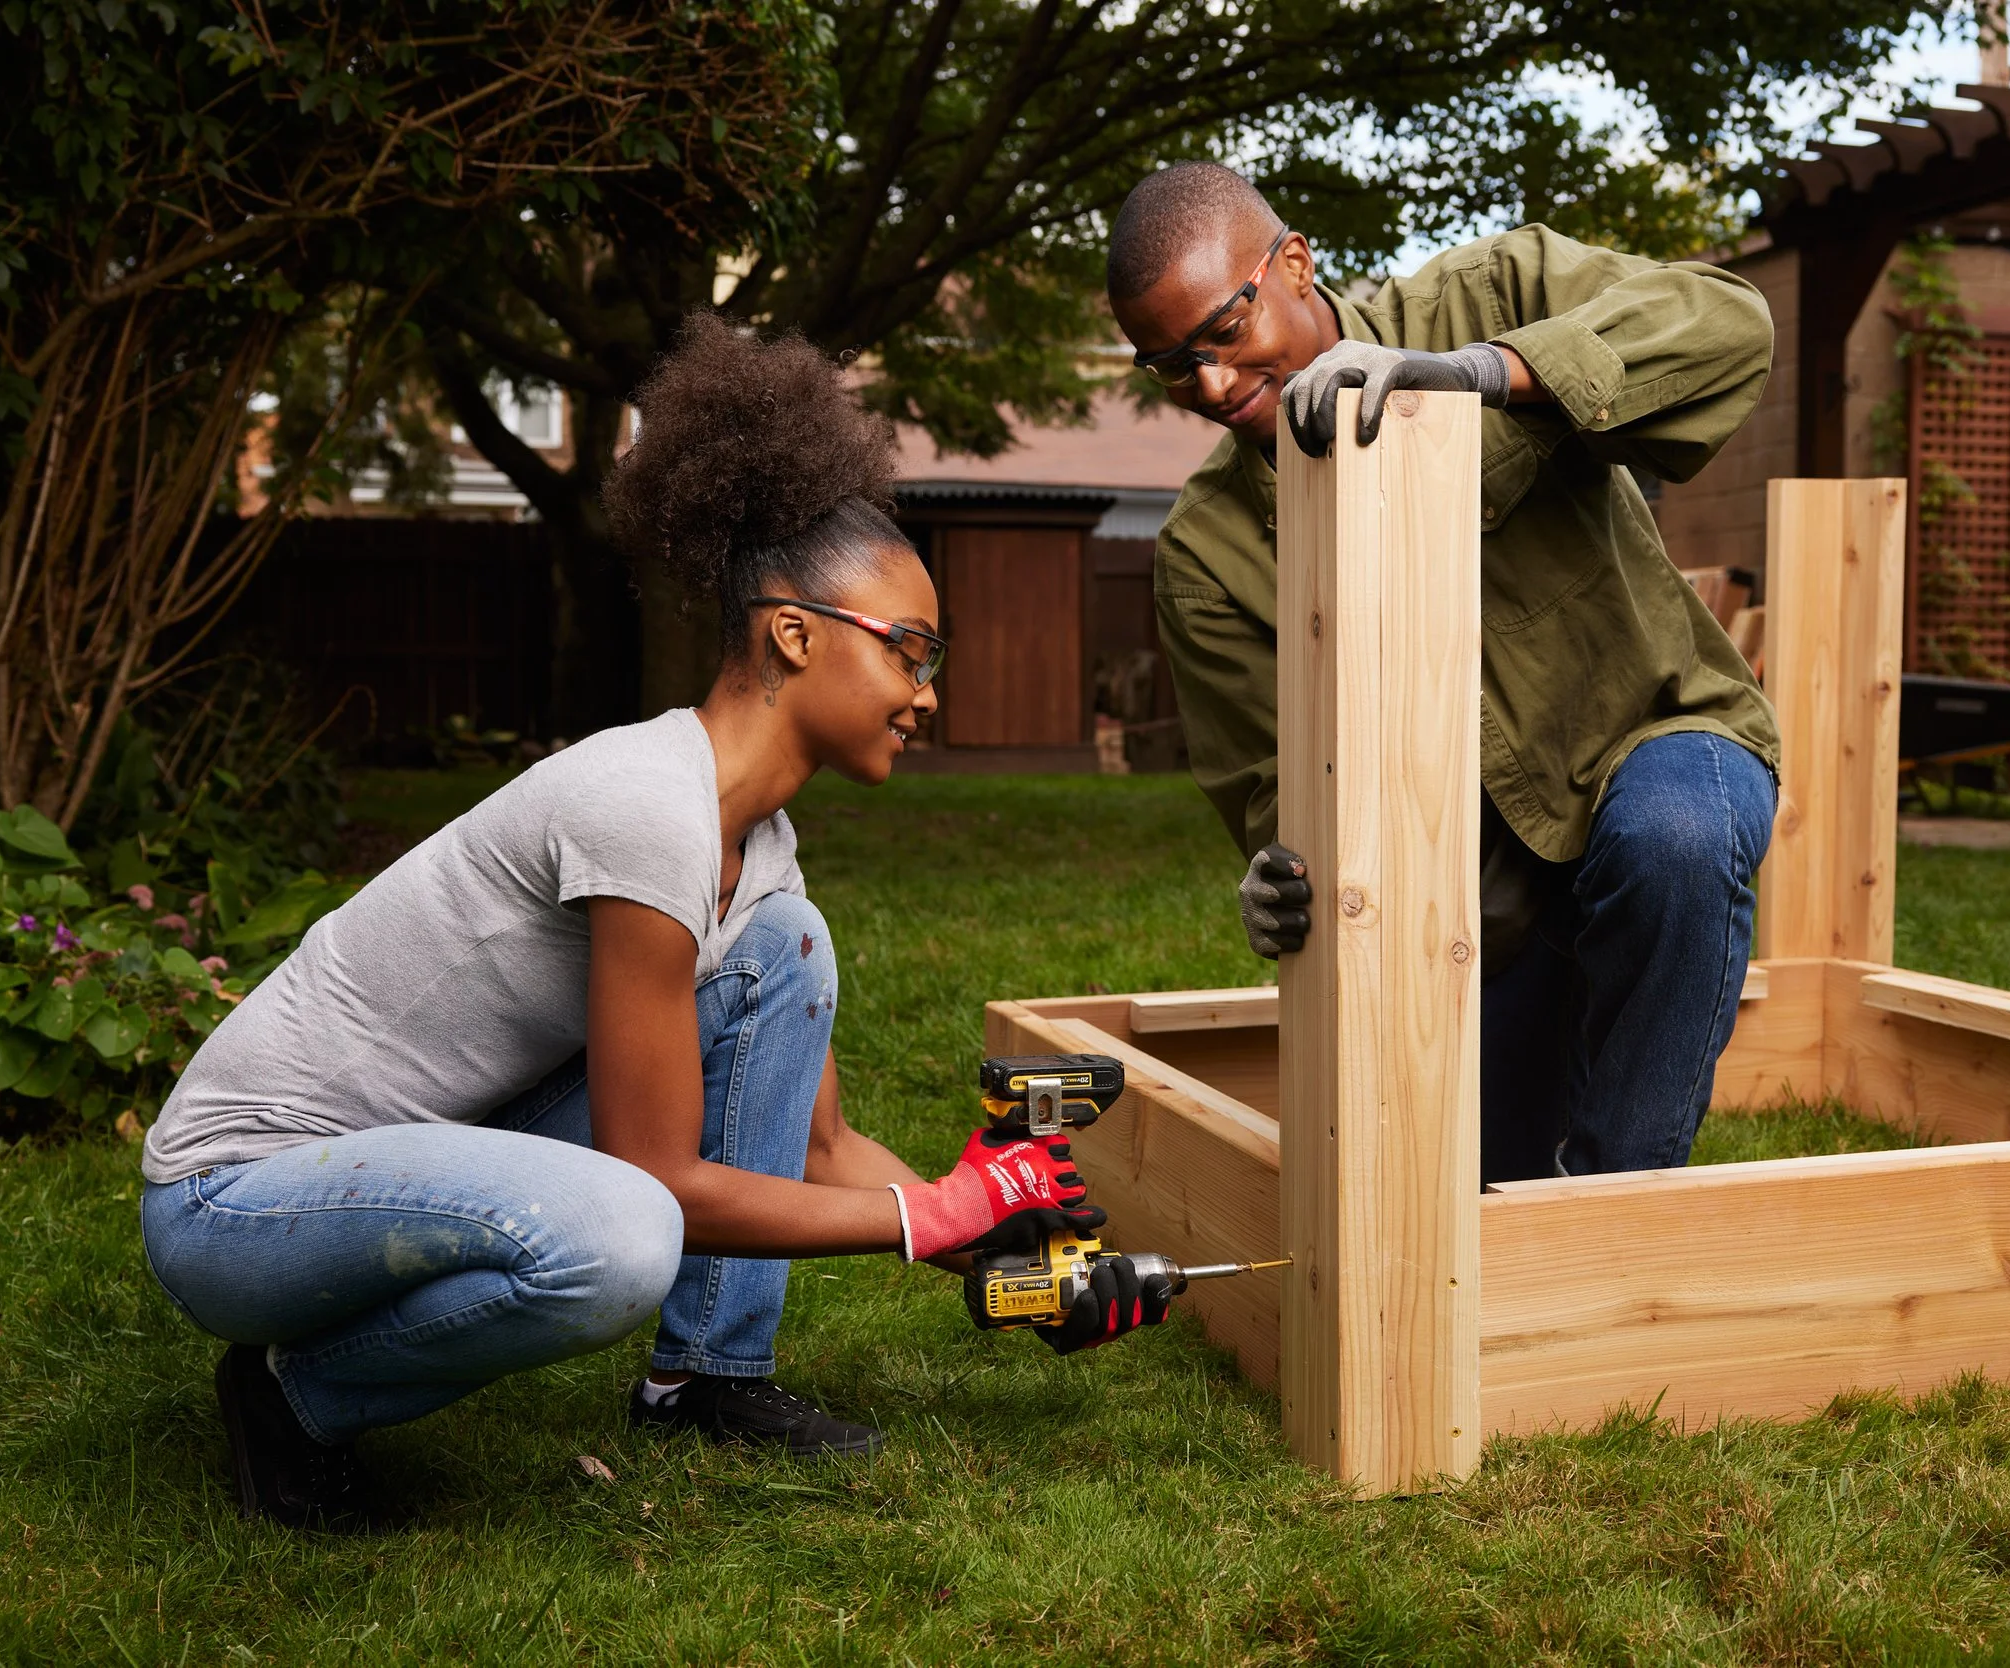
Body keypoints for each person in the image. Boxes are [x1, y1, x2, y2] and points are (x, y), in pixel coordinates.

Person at [139, 318, 1167, 1530]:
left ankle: (707, 1380)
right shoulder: (642, 807)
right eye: (911, 652)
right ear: (795, 634)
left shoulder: (758, 854)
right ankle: (295, 1396)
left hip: (425, 1156)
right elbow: (657, 1176)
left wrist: (1004, 1249)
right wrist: (931, 1216)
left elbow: (819, 1150)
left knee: (786, 953)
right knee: (624, 1236)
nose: (926, 694)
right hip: (240, 1201)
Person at [1106, 163, 1780, 1185]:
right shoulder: (1206, 555)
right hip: (1484, 907)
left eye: (1224, 332)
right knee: (1462, 1203)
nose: (1207, 384)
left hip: (1656, 747)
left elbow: (1729, 326)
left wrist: (1480, 375)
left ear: (1293, 263)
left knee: (1672, 842)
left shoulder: (1495, 293)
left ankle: (1618, 1219)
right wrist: (1275, 872)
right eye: (1169, 364)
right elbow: (1272, 795)